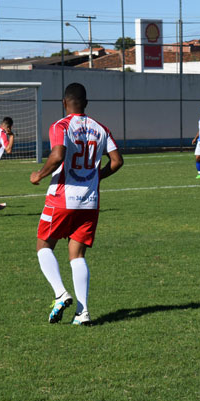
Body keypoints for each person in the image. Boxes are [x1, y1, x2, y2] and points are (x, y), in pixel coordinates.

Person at [30, 83, 123, 326]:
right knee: (77, 254)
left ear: (64, 103)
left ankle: (60, 293)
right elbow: (117, 161)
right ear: (86, 103)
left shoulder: (61, 126)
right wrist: (97, 176)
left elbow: (58, 155)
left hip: (62, 198)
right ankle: (82, 312)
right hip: (89, 202)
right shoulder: (101, 128)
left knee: (43, 245)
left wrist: (39, 175)